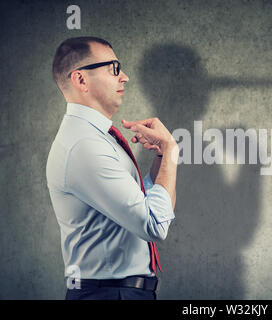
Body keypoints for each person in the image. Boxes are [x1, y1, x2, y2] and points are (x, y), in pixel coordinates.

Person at [46, 36, 179, 300]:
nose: (125, 77)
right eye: (114, 69)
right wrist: (172, 153)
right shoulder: (84, 145)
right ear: (81, 80)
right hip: (109, 295)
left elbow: (144, 205)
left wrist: (162, 158)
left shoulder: (94, 138)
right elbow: (154, 225)